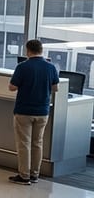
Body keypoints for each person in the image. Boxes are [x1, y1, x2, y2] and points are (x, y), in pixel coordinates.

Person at [8, 38, 59, 184]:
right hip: (43, 111)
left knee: (24, 144)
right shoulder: (51, 67)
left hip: (24, 110)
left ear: (28, 50)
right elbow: (56, 88)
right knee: (38, 143)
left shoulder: (22, 67)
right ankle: (35, 174)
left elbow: (12, 87)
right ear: (41, 50)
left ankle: (24, 175)